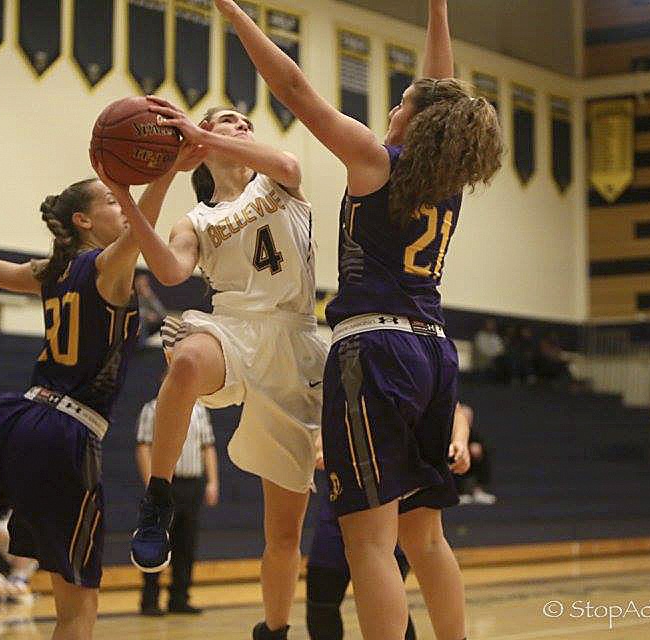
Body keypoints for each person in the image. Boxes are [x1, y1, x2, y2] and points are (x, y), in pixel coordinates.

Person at [215, 2, 503, 638]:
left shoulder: (376, 161)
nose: (393, 108)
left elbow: (294, 89)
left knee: (367, 540)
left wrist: (233, 12)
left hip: (374, 351)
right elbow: (439, 90)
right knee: (423, 534)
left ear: (417, 124)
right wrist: (438, 9)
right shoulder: (445, 183)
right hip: (433, 351)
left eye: (401, 102)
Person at [0, 138, 192, 638]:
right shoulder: (103, 267)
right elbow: (142, 230)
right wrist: (170, 170)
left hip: (16, 421)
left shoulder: (51, 273)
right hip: (65, 435)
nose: (123, 206)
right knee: (77, 609)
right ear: (84, 222)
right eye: (112, 201)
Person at [126, 98, 327, 639]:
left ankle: (276, 630)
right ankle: (158, 497)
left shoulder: (277, 180)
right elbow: (170, 272)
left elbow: (288, 164)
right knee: (187, 356)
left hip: (296, 336)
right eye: (227, 121)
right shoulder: (196, 218)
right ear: (202, 140)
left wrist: (203, 137)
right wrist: (136, 192)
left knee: (284, 532)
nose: (241, 125)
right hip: (234, 327)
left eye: (244, 122)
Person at [306, 403, 472, 640]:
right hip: (345, 500)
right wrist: (321, 445)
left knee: (391, 596)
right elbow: (331, 413)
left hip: (392, 506)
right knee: (321, 600)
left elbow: (456, 410)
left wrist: (460, 441)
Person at [135, 394, 219, 616]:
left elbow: (208, 447)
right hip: (166, 484)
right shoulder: (152, 409)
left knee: (186, 542)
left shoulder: (200, 410)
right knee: (158, 540)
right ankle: (150, 600)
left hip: (192, 484)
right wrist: (152, 484)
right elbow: (143, 447)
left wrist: (212, 481)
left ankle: (179, 598)